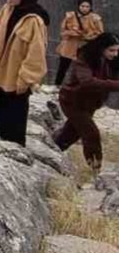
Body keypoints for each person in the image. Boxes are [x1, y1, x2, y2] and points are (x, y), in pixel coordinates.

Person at [0, 0, 50, 146]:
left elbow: (36, 54)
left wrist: (26, 79)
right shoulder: (7, 10)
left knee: (15, 120)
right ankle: (1, 146)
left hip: (17, 79)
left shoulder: (34, 20)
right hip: (2, 73)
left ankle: (15, 151)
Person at [53, 33, 119, 172]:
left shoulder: (110, 61)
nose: (115, 54)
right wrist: (115, 84)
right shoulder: (84, 59)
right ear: (101, 48)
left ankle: (52, 150)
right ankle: (95, 168)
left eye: (117, 50)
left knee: (71, 134)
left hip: (90, 103)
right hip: (73, 101)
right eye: (111, 50)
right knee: (91, 133)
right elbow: (87, 82)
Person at [55, 0, 105, 86]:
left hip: (86, 46)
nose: (85, 9)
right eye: (83, 6)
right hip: (70, 45)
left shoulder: (95, 19)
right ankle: (57, 85)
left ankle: (83, 86)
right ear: (78, 6)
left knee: (84, 67)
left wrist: (87, 36)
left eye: (87, 6)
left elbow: (100, 34)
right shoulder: (70, 16)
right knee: (63, 66)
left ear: (90, 7)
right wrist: (73, 33)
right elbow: (63, 31)